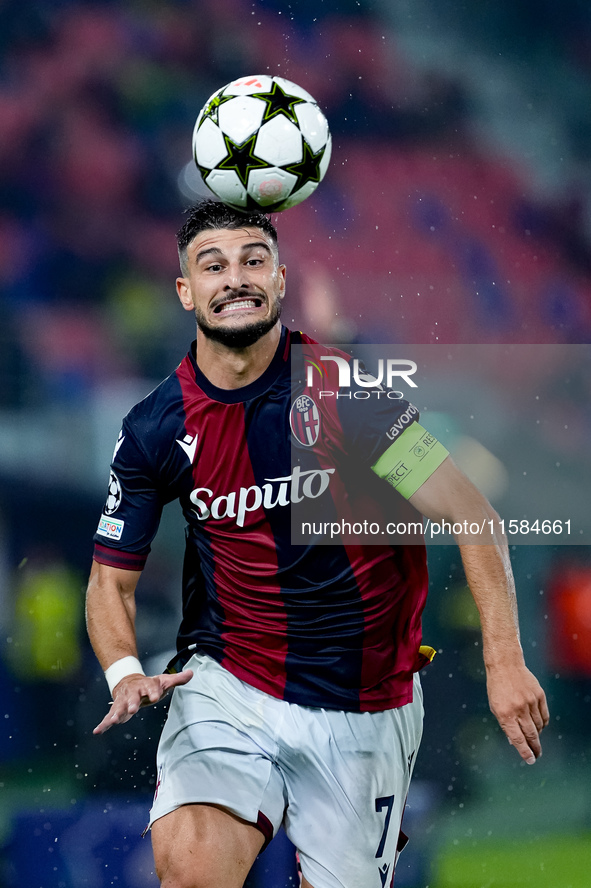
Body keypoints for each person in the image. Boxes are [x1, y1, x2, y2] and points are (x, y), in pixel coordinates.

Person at [86, 199, 549, 888]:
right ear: (186, 292)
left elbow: (470, 512)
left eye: (252, 261)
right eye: (212, 266)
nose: (234, 278)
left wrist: (503, 662)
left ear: (279, 279)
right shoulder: (154, 428)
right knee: (190, 874)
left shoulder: (350, 395)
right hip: (228, 681)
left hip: (364, 700)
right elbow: (109, 581)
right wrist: (125, 673)